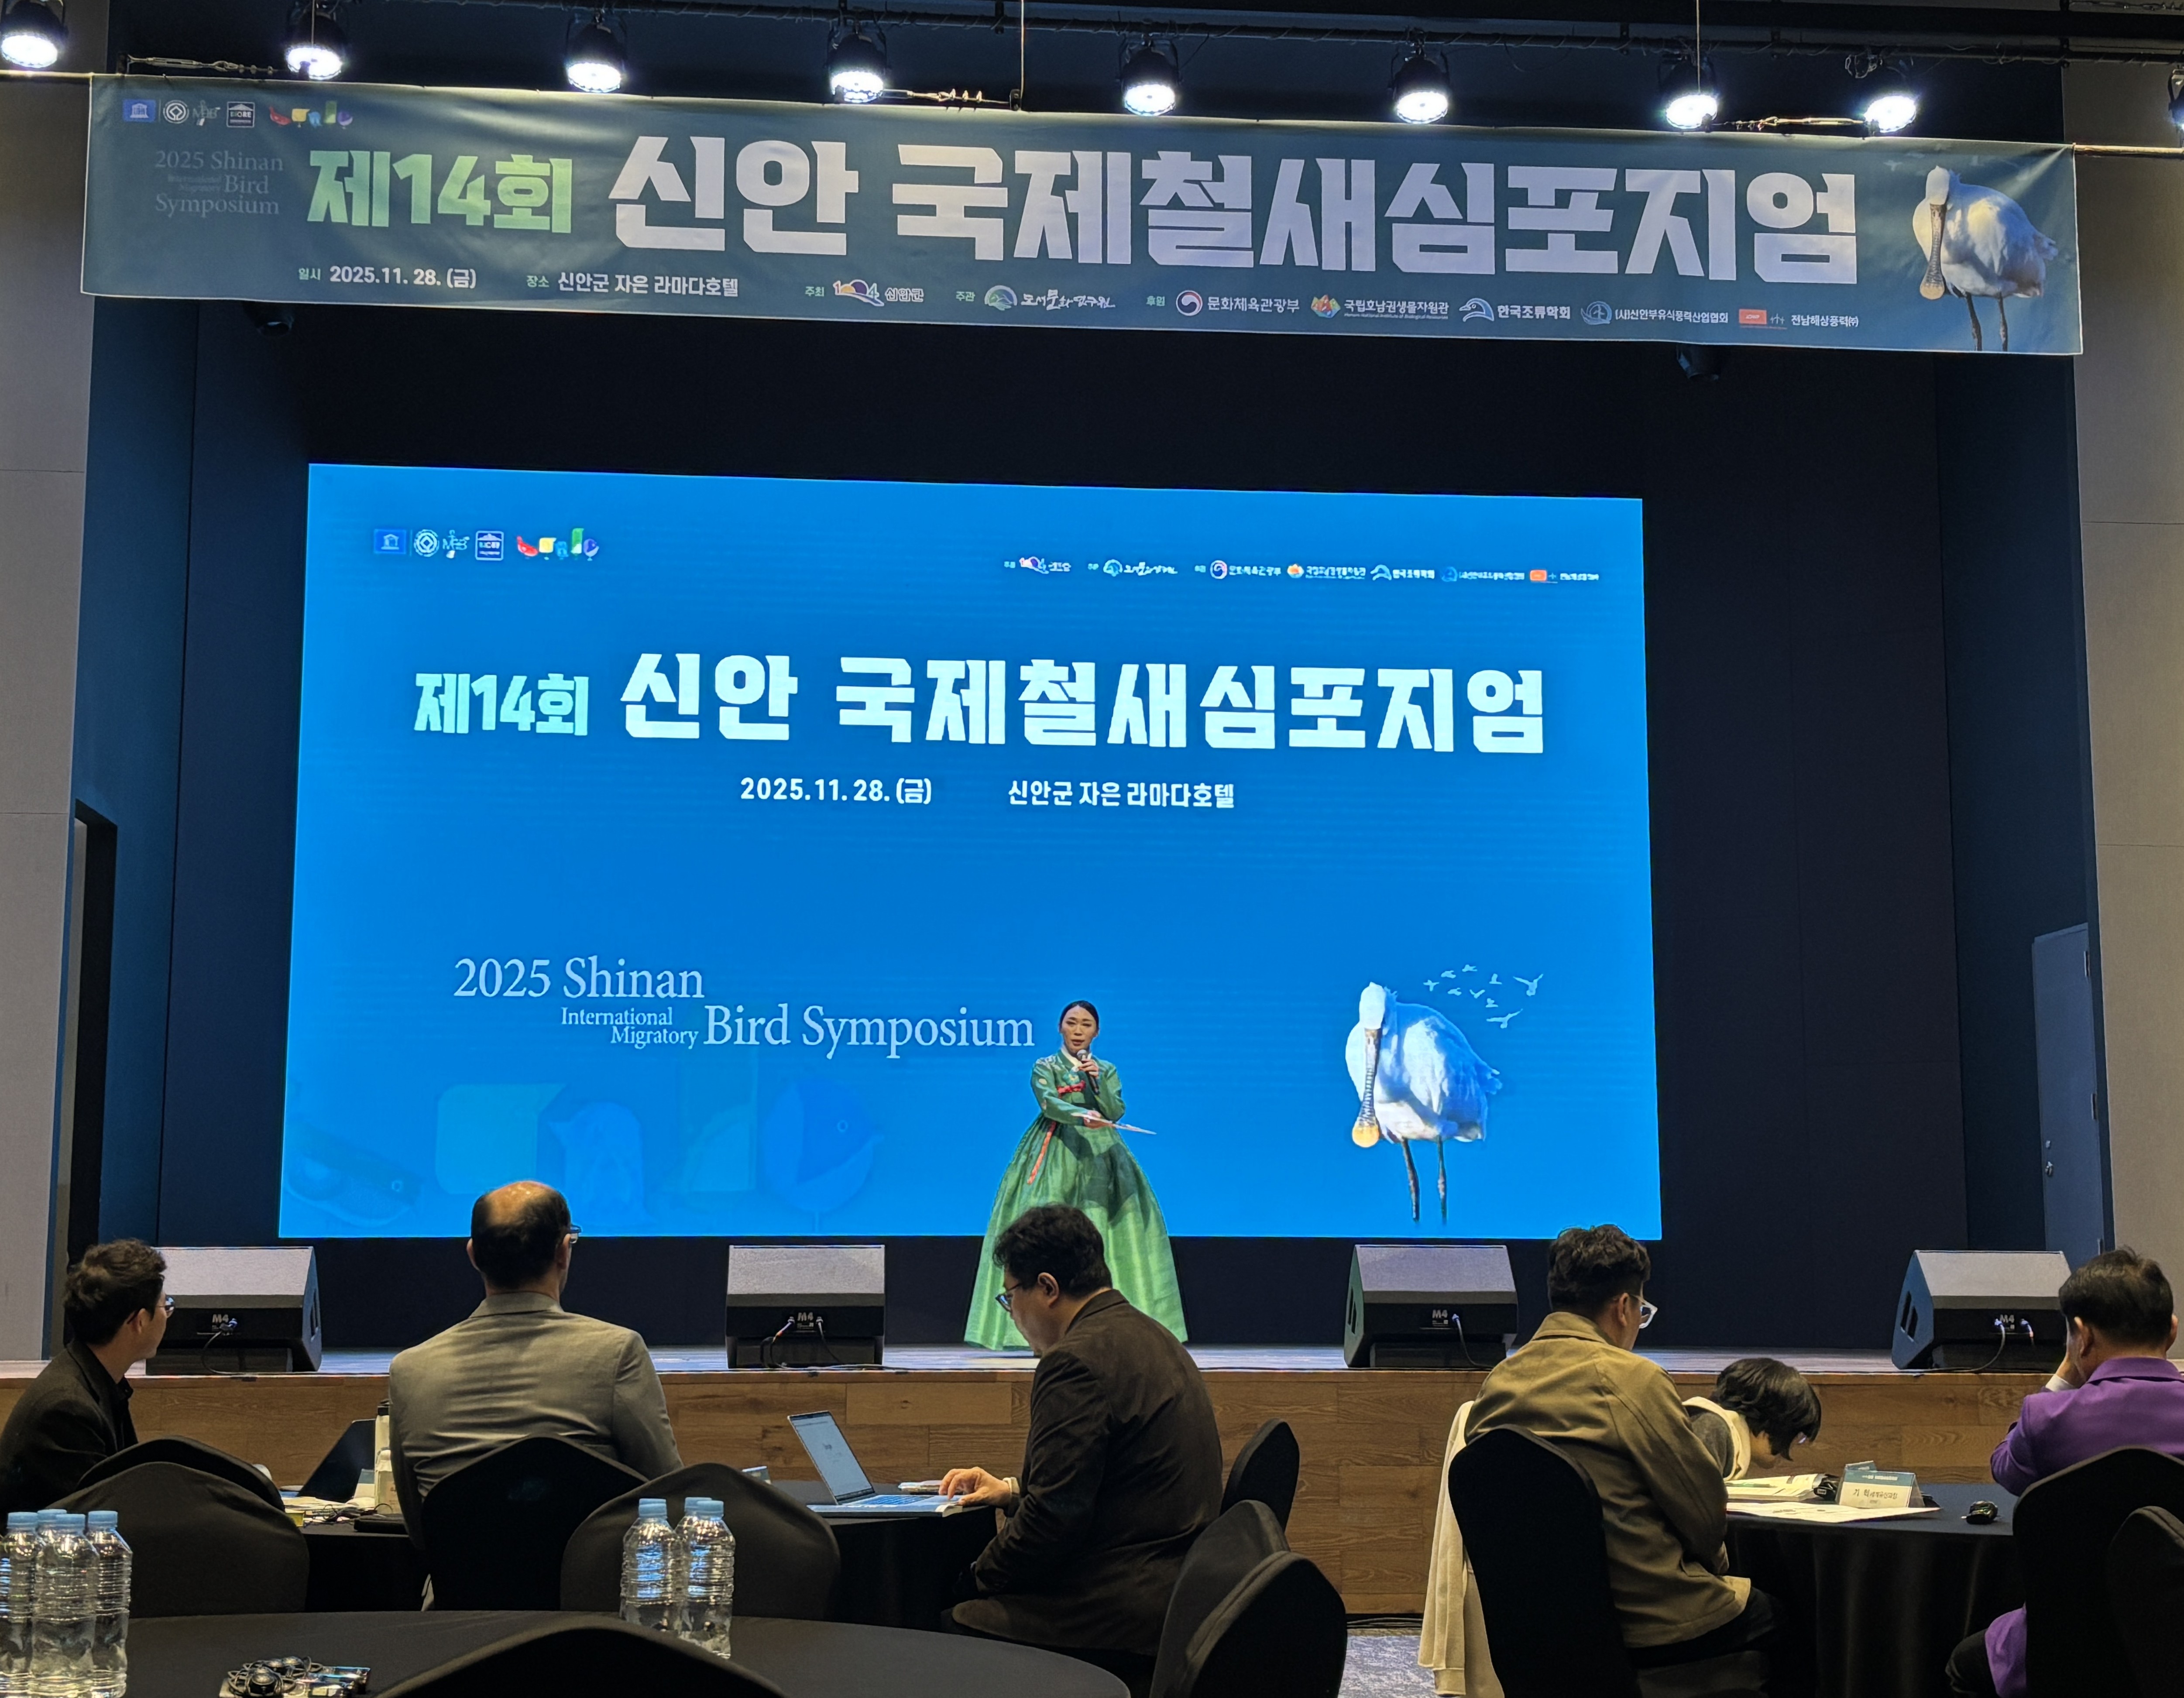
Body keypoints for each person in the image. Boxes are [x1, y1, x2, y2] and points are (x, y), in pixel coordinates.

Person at [941, 1204, 1222, 1698]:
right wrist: (1012, 1492)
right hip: (1176, 1592)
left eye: (1010, 1297)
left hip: (1117, 1607)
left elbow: (1052, 1524)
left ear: (1047, 1288)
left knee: (943, 1620)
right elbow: (1112, 1480)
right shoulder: (1152, 1335)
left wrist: (972, 1577)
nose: (1013, 1315)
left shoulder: (1074, 1363)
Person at [1466, 1225, 1777, 1667]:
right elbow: (1704, 1515)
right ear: (1624, 1307)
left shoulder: (1498, 1384)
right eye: (1642, 1312)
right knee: (1790, 1621)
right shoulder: (1633, 1380)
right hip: (1646, 1622)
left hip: (1534, 1631)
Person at [1944, 1247, 2184, 1698]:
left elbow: (2005, 1467)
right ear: (2172, 1330)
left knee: (1965, 1665)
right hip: (2178, 1648)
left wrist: (2062, 1378)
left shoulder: (2049, 1419)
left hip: (2067, 1653)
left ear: (2082, 1336)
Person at [388, 1180, 680, 1520]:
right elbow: (670, 1495)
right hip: (585, 1557)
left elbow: (420, 1528)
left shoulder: (409, 1371)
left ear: (473, 1255)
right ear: (563, 1251)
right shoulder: (617, 1354)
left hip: (460, 1558)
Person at [965, 1001, 1186, 1347]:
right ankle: (1035, 1327)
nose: (1078, 1030)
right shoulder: (1046, 1065)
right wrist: (1081, 1116)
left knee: (1110, 1221)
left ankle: (1113, 1323)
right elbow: (1049, 1102)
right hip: (1056, 1146)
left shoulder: (1106, 1069)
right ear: (1060, 1027)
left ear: (1097, 1032)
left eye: (1086, 1024)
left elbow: (1115, 1110)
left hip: (1101, 1151)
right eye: (1072, 1023)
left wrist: (1096, 1083)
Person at [0, 1241, 168, 1515]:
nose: (168, 1315)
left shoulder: (95, 1381)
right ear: (139, 1322)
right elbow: (105, 1516)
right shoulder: (67, 1408)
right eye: (166, 1306)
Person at [1685, 1358, 1823, 1480]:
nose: (1793, 1445)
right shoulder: (1711, 1428)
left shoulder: (1723, 1433)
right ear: (1775, 1424)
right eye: (1797, 1436)